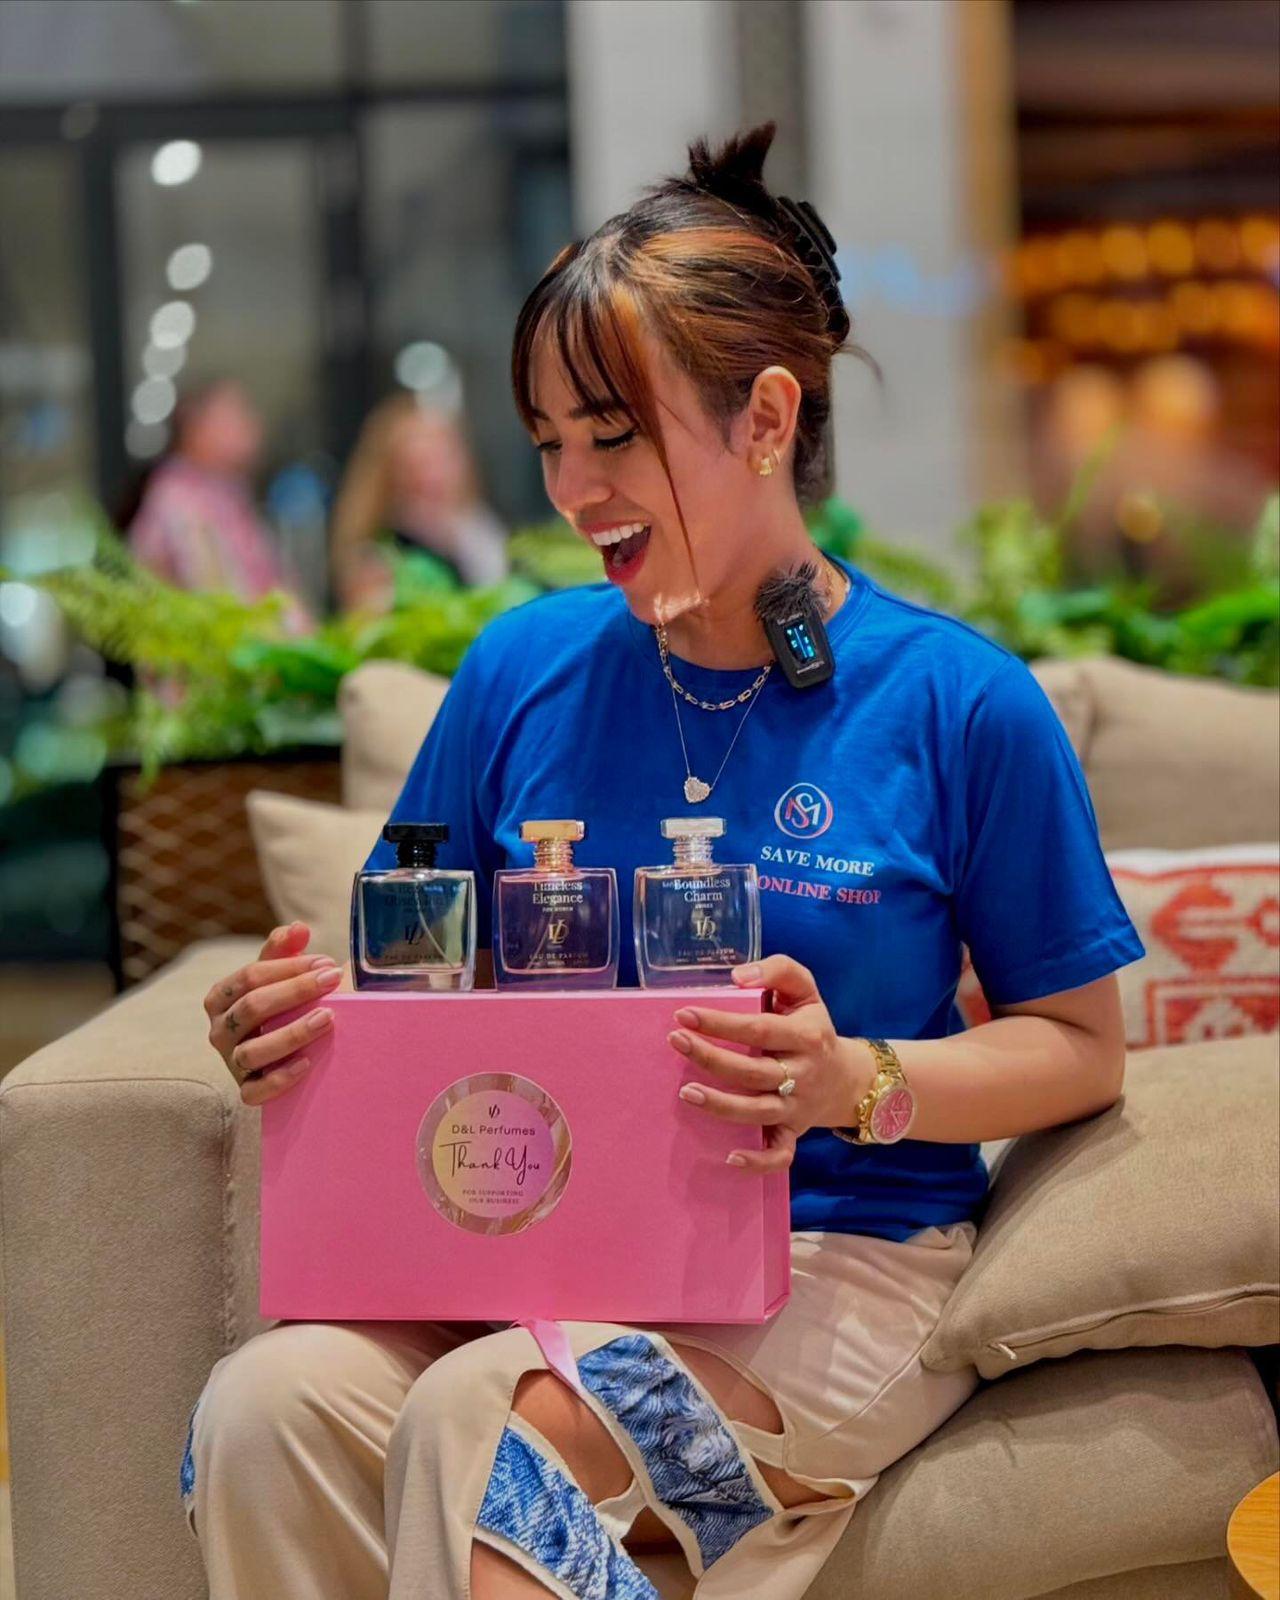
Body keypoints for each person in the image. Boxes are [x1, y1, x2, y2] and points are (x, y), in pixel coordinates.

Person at [184, 123, 1144, 1600]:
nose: (574, 490)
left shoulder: (957, 703)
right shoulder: (518, 673)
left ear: (766, 417)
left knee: (492, 1422)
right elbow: (405, 974)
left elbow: (1080, 1047)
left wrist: (852, 1079)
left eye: (612, 435)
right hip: (538, 1254)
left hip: (835, 1267)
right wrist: (292, 1023)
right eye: (548, 442)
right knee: (263, 1408)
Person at [124, 377, 312, 632]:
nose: (252, 424)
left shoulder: (228, 493)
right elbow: (215, 596)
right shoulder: (177, 497)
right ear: (195, 426)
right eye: (236, 414)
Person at [330, 391, 510, 611]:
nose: (430, 477)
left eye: (440, 459)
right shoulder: (378, 557)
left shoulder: (479, 530)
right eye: (414, 465)